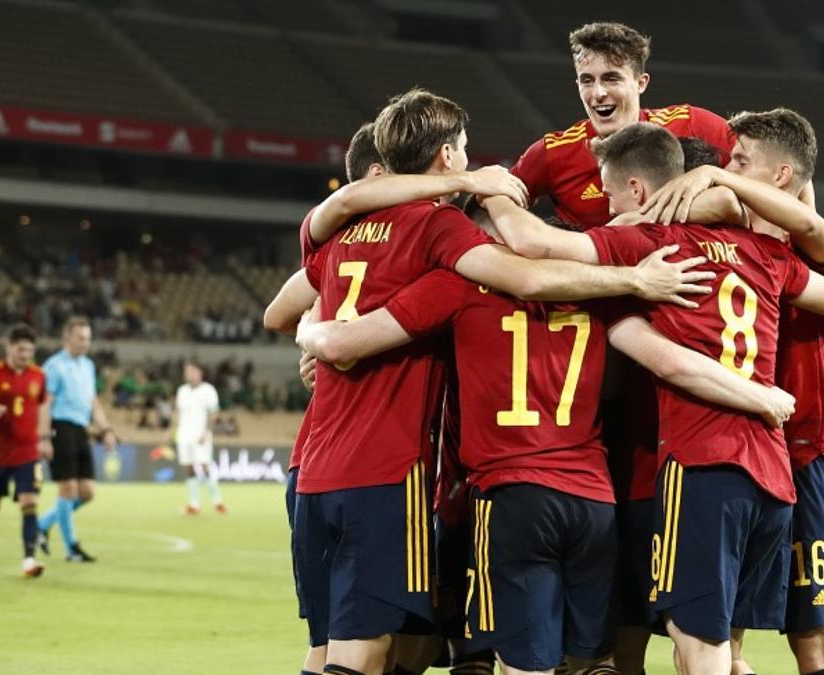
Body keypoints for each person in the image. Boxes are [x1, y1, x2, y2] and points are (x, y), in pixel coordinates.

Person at [268, 89, 715, 675]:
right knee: (373, 651)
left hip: (314, 466)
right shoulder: (443, 238)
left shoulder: (335, 229)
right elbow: (524, 277)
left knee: (338, 647)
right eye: (465, 151)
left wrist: (314, 334)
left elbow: (282, 311)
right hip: (389, 471)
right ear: (450, 156)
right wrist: (628, 277)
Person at [487, 122, 824, 675]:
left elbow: (536, 246)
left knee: (694, 649)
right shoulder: (766, 251)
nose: (606, 205)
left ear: (642, 191)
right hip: (772, 472)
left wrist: (492, 189)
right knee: (728, 653)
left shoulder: (648, 249)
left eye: (610, 192)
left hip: (701, 464)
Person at [638, 107, 824, 675]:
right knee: (718, 638)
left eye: (740, 160)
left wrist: (718, 178)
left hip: (809, 452)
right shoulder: (725, 245)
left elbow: (815, 231)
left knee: (815, 641)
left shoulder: (815, 249)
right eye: (725, 160)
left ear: (780, 177)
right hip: (748, 452)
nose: (724, 166)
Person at [511, 22, 734, 230]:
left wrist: (711, 174)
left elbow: (764, 177)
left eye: (611, 79)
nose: (598, 93)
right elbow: (488, 212)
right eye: (587, 81)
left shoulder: (691, 123)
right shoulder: (554, 153)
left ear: (641, 83)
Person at [36, 317, 117, 562]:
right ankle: (72, 548)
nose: (86, 343)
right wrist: (43, 437)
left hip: (81, 429)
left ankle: (41, 524)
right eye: (81, 338)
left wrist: (106, 430)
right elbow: (44, 403)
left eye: (88, 338)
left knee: (87, 492)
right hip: (60, 428)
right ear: (67, 338)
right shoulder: (54, 366)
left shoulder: (88, 366)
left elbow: (92, 401)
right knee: (68, 489)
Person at [0, 324, 50, 577]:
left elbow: (44, 406)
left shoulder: (38, 375)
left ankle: (29, 560)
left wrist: (45, 438)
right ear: (8, 347)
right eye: (21, 349)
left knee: (29, 502)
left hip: (27, 452)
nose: (25, 354)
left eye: (29, 350)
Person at [172, 360, 223, 515]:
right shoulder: (182, 391)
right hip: (184, 436)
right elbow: (177, 412)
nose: (189, 374)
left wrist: (206, 432)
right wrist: (174, 431)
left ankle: (217, 502)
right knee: (188, 468)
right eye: (187, 371)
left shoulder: (208, 390)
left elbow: (214, 414)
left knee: (204, 466)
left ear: (200, 372)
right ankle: (194, 504)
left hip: (201, 435)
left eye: (192, 371)